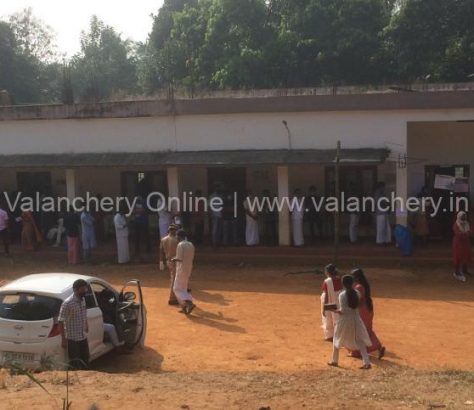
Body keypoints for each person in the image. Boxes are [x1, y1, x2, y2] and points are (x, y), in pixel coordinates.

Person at [328, 275, 372, 370]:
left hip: (344, 320)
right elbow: (356, 307)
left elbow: (342, 311)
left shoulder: (342, 295)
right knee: (360, 341)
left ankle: (334, 360)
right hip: (356, 319)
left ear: (343, 284)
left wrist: (334, 310)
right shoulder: (357, 293)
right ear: (352, 283)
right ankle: (366, 362)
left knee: (336, 339)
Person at [348, 268, 385, 359]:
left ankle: (356, 351)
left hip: (362, 310)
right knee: (368, 330)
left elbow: (358, 300)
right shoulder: (365, 285)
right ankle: (378, 347)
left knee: (358, 330)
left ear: (356, 277)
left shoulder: (358, 287)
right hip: (368, 309)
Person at [58, 279, 90, 370]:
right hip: (72, 339)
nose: (85, 291)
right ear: (76, 289)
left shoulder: (83, 300)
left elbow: (84, 313)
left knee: (86, 359)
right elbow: (60, 320)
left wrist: (86, 324)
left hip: (82, 336)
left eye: (85, 288)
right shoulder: (68, 303)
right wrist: (63, 339)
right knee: (75, 363)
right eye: (83, 289)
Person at [172, 230, 196, 314]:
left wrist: (173, 259)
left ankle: (189, 303)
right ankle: (184, 306)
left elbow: (179, 258)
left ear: (179, 236)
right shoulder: (191, 244)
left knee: (176, 288)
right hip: (188, 267)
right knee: (183, 288)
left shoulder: (180, 245)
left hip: (181, 269)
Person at [321, 264, 343, 341]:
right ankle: (339, 335)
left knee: (328, 317)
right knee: (337, 317)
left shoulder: (327, 281)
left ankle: (330, 335)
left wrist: (324, 307)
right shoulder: (339, 279)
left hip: (329, 300)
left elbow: (327, 294)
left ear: (327, 272)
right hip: (337, 299)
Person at [159, 224, 179, 305]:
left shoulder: (163, 239)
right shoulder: (177, 239)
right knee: (174, 280)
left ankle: (176, 297)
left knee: (174, 278)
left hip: (168, 261)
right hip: (175, 261)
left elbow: (161, 252)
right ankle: (172, 298)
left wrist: (161, 261)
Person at [452, 211, 471, 282]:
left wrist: (465, 234)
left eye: (465, 216)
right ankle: (457, 272)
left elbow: (469, 232)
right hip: (458, 243)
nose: (464, 217)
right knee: (458, 257)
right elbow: (457, 233)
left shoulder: (467, 223)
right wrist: (464, 234)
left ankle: (465, 270)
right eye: (463, 216)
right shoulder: (456, 224)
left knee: (466, 256)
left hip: (465, 243)